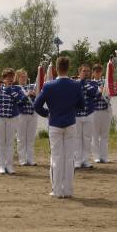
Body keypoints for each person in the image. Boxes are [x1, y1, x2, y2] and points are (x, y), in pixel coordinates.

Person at [34, 57, 84, 198]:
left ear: (56, 68)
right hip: (70, 123)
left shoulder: (49, 86)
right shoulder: (76, 85)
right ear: (69, 67)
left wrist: (47, 113)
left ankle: (56, 190)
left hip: (55, 123)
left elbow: (37, 105)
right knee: (69, 158)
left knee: (56, 158)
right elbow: (82, 105)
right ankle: (68, 190)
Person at [0, 68, 27, 174]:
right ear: (3, 78)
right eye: (7, 77)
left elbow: (22, 101)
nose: (10, 79)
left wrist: (12, 92)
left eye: (12, 77)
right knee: (0, 142)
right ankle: (1, 165)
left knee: (10, 142)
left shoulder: (17, 88)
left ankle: (9, 165)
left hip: (13, 117)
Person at [74, 64, 100, 169]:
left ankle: (86, 160)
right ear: (79, 72)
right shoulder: (74, 83)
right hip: (76, 114)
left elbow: (94, 92)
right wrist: (81, 83)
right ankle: (77, 160)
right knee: (77, 138)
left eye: (88, 71)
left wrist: (83, 84)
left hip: (89, 113)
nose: (86, 73)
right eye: (84, 71)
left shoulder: (94, 83)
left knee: (87, 138)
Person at [15, 69, 38, 166]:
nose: (24, 79)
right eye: (22, 77)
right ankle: (22, 159)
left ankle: (31, 159)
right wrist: (27, 95)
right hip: (21, 115)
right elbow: (18, 101)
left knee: (31, 138)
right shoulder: (16, 88)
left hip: (32, 114)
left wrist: (35, 94)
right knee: (21, 138)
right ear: (18, 78)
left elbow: (40, 92)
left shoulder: (32, 86)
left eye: (25, 77)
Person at [91, 64, 112, 164]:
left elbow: (111, 93)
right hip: (94, 111)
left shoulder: (106, 82)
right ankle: (97, 156)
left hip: (105, 110)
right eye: (96, 71)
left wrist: (107, 91)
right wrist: (99, 92)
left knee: (104, 135)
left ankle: (104, 156)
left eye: (99, 71)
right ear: (93, 72)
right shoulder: (91, 83)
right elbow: (90, 97)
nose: (98, 72)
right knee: (95, 135)